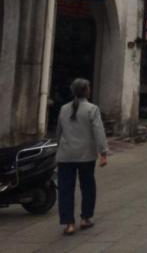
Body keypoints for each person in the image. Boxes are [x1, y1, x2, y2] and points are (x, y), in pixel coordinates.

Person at [55, 78, 108, 236]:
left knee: (65, 189)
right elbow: (98, 131)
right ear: (86, 91)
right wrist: (103, 152)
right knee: (87, 186)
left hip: (65, 155)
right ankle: (85, 218)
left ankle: (69, 224)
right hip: (86, 156)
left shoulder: (64, 109)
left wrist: (58, 149)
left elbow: (58, 132)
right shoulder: (92, 109)